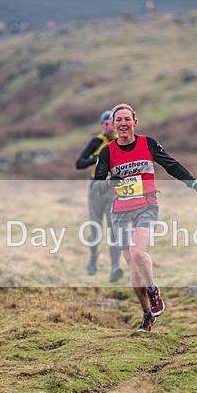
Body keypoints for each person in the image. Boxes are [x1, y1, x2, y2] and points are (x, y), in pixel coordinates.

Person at [93, 103, 197, 332]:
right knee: (133, 268)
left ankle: (153, 289)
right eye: (119, 120)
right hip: (120, 212)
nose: (123, 124)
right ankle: (147, 314)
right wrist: (110, 182)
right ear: (112, 126)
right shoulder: (107, 152)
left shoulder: (148, 144)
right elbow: (96, 188)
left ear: (135, 122)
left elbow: (172, 165)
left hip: (146, 206)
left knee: (138, 253)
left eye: (127, 119)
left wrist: (196, 185)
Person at [76, 110, 123, 282]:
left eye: (113, 123)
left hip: (115, 191)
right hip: (96, 189)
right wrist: (95, 158)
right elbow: (79, 163)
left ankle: (114, 267)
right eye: (106, 123)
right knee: (95, 228)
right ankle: (93, 258)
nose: (110, 126)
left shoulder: (122, 141)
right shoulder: (97, 141)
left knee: (114, 230)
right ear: (102, 125)